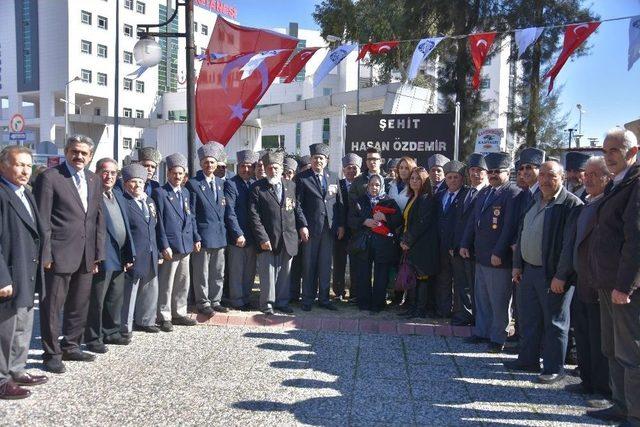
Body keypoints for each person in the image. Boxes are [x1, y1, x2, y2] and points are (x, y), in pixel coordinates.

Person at [35, 135, 106, 373]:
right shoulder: (50, 177)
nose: (79, 156)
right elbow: (42, 220)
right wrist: (45, 255)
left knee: (79, 303)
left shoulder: (94, 179)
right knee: (52, 306)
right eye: (75, 151)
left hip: (86, 254)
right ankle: (51, 353)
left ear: (90, 156)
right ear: (66, 152)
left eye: (84, 153)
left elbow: (97, 218)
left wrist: (98, 253)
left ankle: (71, 345)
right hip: (58, 253)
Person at [507, 161, 583, 384]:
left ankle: (554, 368)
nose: (545, 180)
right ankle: (528, 360)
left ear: (562, 178)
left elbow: (569, 246)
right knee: (529, 318)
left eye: (551, 176)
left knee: (555, 323)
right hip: (529, 271)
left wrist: (561, 276)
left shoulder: (571, 205)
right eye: (542, 175)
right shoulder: (535, 199)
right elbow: (523, 233)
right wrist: (517, 265)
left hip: (553, 275)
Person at [586, 127, 640, 426]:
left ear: (632, 152)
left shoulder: (636, 184)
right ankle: (620, 404)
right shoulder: (617, 184)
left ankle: (635, 413)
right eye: (605, 151)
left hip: (623, 287)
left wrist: (624, 285)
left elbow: (636, 239)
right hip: (606, 282)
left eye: (614, 151)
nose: (608, 157)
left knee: (630, 351)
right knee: (612, 348)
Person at [557, 156, 611, 398]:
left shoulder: (607, 205)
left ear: (607, 177)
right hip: (581, 280)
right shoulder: (586, 204)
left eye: (593, 174)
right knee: (584, 334)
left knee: (600, 339)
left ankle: (602, 389)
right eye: (586, 174)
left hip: (599, 282)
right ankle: (587, 381)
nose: (587, 179)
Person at [460, 152, 521, 353]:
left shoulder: (512, 193)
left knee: (499, 300)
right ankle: (482, 332)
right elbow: (472, 222)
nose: (494, 175)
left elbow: (509, 227)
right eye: (491, 171)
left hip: (498, 258)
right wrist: (465, 243)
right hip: (481, 254)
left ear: (508, 172)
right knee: (482, 298)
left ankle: (498, 337)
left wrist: (499, 251)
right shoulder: (485, 192)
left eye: (498, 172)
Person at [0, 146, 47, 399]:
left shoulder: (25, 193)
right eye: (19, 165)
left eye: (28, 165)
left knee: (23, 325)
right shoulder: (2, 193)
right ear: (3, 165)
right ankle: (1, 380)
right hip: (8, 273)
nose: (25, 170)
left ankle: (17, 369)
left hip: (26, 270)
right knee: (4, 331)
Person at [84, 159, 135, 353]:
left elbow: (126, 227)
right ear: (97, 173)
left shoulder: (118, 195)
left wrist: (130, 253)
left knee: (115, 297)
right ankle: (93, 337)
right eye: (105, 172)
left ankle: (111, 331)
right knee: (97, 299)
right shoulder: (91, 196)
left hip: (120, 255)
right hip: (102, 255)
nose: (110, 176)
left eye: (114, 173)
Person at [249, 151, 307, 315]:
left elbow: (296, 209)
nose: (273, 171)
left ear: (281, 169)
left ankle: (282, 302)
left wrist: (303, 226)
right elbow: (254, 216)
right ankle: (267, 304)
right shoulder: (257, 188)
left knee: (284, 272)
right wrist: (262, 237)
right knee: (267, 273)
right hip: (267, 237)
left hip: (288, 236)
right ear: (265, 169)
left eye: (276, 167)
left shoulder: (291, 186)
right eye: (269, 168)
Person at [154, 153, 200, 332]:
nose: (177, 177)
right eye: (174, 173)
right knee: (167, 283)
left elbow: (190, 217)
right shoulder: (161, 192)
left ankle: (179, 313)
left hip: (186, 244)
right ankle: (164, 315)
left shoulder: (186, 192)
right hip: (171, 246)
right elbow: (159, 222)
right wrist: (164, 245)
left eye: (180, 173)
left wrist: (196, 237)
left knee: (182, 282)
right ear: (168, 174)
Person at [296, 143, 343, 312]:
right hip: (311, 228)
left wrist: (341, 225)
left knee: (325, 264)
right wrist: (302, 225)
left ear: (327, 160)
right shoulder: (302, 178)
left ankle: (324, 298)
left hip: (329, 228)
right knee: (309, 264)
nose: (318, 161)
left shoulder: (333, 176)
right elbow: (298, 205)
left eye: (321, 158)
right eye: (315, 158)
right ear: (311, 159)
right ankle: (307, 298)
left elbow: (339, 203)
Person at [349, 174, 402, 313]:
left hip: (383, 243)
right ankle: (364, 302)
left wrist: (385, 217)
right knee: (363, 273)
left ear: (381, 186)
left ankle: (378, 304)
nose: (374, 187)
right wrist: (364, 221)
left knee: (381, 274)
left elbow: (398, 220)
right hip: (364, 243)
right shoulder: (360, 200)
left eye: (377, 185)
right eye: (371, 184)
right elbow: (350, 219)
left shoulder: (389, 201)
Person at [186, 143, 228, 316]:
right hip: (203, 235)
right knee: (202, 272)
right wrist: (196, 236)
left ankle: (215, 300)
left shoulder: (220, 183)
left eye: (212, 162)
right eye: (205, 162)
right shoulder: (194, 184)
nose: (209, 165)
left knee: (218, 271)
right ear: (201, 163)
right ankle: (203, 302)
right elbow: (192, 214)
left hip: (219, 234)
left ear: (217, 164)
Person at [120, 164, 161, 336]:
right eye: (132, 182)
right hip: (134, 252)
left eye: (140, 182)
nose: (137, 186)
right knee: (131, 291)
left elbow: (155, 226)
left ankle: (146, 320)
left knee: (150, 288)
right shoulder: (123, 201)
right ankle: (126, 326)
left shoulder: (149, 201)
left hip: (151, 250)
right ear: (125, 184)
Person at [450, 153, 488, 326]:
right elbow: (457, 221)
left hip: (476, 248)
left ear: (486, 173)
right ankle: (465, 315)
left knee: (476, 287)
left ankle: (478, 319)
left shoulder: (488, 193)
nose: (475, 174)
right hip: (459, 247)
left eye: (480, 170)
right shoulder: (466, 192)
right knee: (462, 284)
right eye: (473, 170)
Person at [399, 167, 438, 318]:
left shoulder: (427, 198)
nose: (414, 181)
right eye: (412, 178)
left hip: (422, 245)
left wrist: (407, 240)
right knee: (412, 277)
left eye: (418, 178)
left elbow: (422, 223)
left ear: (424, 181)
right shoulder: (413, 197)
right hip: (410, 243)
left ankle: (420, 309)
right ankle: (412, 307)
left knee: (422, 277)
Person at [225, 150, 259, 311]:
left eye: (249, 166)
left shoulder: (255, 183)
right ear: (238, 167)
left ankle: (246, 298)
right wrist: (237, 233)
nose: (246, 169)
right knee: (237, 270)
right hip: (237, 235)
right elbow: (229, 212)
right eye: (243, 166)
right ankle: (237, 300)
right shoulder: (231, 184)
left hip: (253, 235)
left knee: (250, 270)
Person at [434, 160, 469, 319]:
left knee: (460, 282)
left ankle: (460, 313)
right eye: (449, 177)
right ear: (445, 179)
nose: (453, 180)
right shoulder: (440, 195)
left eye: (456, 177)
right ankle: (443, 310)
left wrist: (457, 244)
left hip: (457, 247)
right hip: (441, 246)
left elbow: (465, 224)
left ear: (462, 179)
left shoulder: (467, 195)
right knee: (443, 279)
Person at [333, 153, 362, 302]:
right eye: (348, 168)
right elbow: (336, 207)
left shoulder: (363, 185)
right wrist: (340, 225)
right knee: (339, 261)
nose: (351, 171)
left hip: (357, 230)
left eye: (354, 168)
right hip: (341, 229)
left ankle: (355, 293)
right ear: (343, 170)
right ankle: (338, 291)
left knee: (356, 262)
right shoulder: (338, 185)